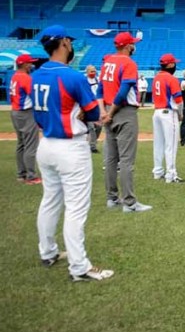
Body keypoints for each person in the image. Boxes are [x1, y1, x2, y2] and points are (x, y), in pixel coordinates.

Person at [33, 25, 114, 281]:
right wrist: (88, 114)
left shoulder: (36, 74)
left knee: (50, 201)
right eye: (70, 41)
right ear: (65, 43)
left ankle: (47, 252)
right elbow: (92, 113)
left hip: (46, 143)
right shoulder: (73, 76)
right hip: (70, 146)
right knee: (76, 209)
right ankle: (79, 267)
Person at [98, 31, 152, 213]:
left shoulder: (107, 63)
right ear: (128, 46)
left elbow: (99, 90)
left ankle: (112, 198)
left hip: (107, 111)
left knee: (111, 159)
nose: (134, 46)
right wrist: (111, 112)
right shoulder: (128, 62)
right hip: (123, 111)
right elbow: (123, 92)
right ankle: (129, 203)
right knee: (127, 160)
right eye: (133, 44)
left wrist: (103, 111)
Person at [151, 54, 184, 183]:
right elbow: (178, 100)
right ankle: (171, 174)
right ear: (170, 65)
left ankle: (158, 172)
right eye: (174, 63)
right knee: (171, 145)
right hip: (168, 112)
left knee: (158, 144)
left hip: (157, 111)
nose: (175, 65)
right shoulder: (171, 78)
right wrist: (180, 113)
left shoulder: (156, 78)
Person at [10, 54, 41, 185]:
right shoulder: (25, 78)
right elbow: (34, 97)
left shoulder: (15, 76)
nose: (31, 65)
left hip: (15, 111)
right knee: (30, 145)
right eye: (29, 63)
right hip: (26, 113)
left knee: (21, 144)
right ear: (23, 64)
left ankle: (21, 174)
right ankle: (31, 176)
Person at [85, 65, 101, 153]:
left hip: (97, 106)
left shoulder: (97, 80)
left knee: (99, 126)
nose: (93, 73)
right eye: (91, 71)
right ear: (87, 72)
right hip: (88, 106)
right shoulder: (84, 81)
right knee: (91, 127)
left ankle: (92, 142)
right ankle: (92, 146)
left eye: (94, 71)